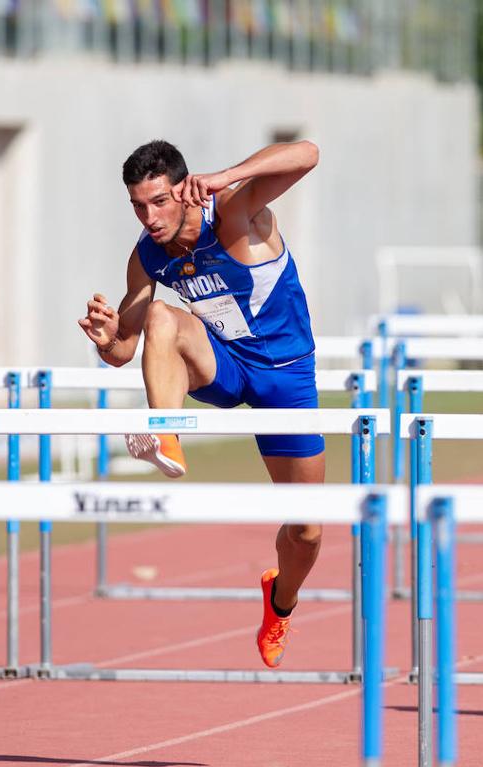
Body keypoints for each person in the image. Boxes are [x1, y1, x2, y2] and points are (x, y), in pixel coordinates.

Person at [78, 139, 324, 669]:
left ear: (185, 193)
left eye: (160, 202)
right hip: (224, 365)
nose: (151, 217)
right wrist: (106, 337)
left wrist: (225, 175)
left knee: (307, 530)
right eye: (139, 207)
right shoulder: (147, 255)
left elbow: (308, 153)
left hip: (285, 378)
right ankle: (163, 432)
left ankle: (280, 602)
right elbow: (125, 349)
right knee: (163, 318)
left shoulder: (234, 214)